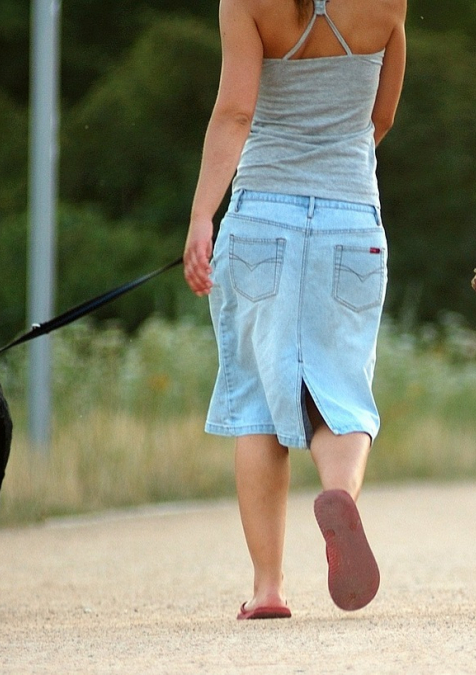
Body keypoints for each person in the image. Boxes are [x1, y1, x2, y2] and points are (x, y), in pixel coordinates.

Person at [182, 0, 406, 619]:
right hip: (350, 215)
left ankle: (269, 588)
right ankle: (340, 496)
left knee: (257, 400)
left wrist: (203, 216)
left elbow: (235, 111)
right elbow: (380, 115)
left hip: (261, 216)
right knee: (343, 391)